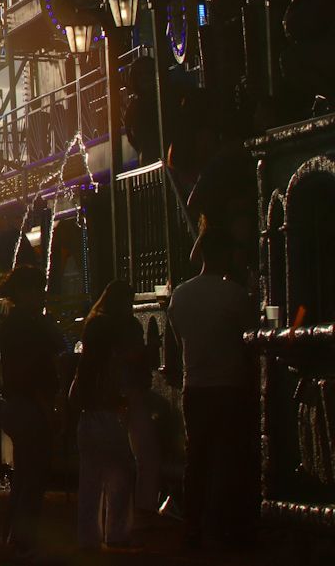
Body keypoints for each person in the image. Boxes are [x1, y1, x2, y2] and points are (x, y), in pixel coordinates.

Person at [166, 227, 256, 550]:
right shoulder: (234, 294)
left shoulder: (181, 295)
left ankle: (193, 525)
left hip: (196, 385)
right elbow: (254, 335)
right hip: (230, 384)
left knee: (197, 458)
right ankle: (221, 526)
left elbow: (177, 341)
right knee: (227, 457)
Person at [0, 264, 63, 556]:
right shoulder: (29, 325)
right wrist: (47, 408)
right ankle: (22, 538)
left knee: (24, 474)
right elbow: (33, 371)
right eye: (37, 289)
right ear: (25, 292)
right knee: (33, 475)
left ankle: (14, 535)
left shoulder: (10, 323)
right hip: (31, 404)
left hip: (17, 404)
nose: (41, 295)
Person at [70, 282, 137, 552]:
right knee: (121, 474)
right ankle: (117, 533)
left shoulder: (88, 356)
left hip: (88, 416)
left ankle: (88, 536)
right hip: (108, 415)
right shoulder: (113, 353)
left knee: (90, 480)